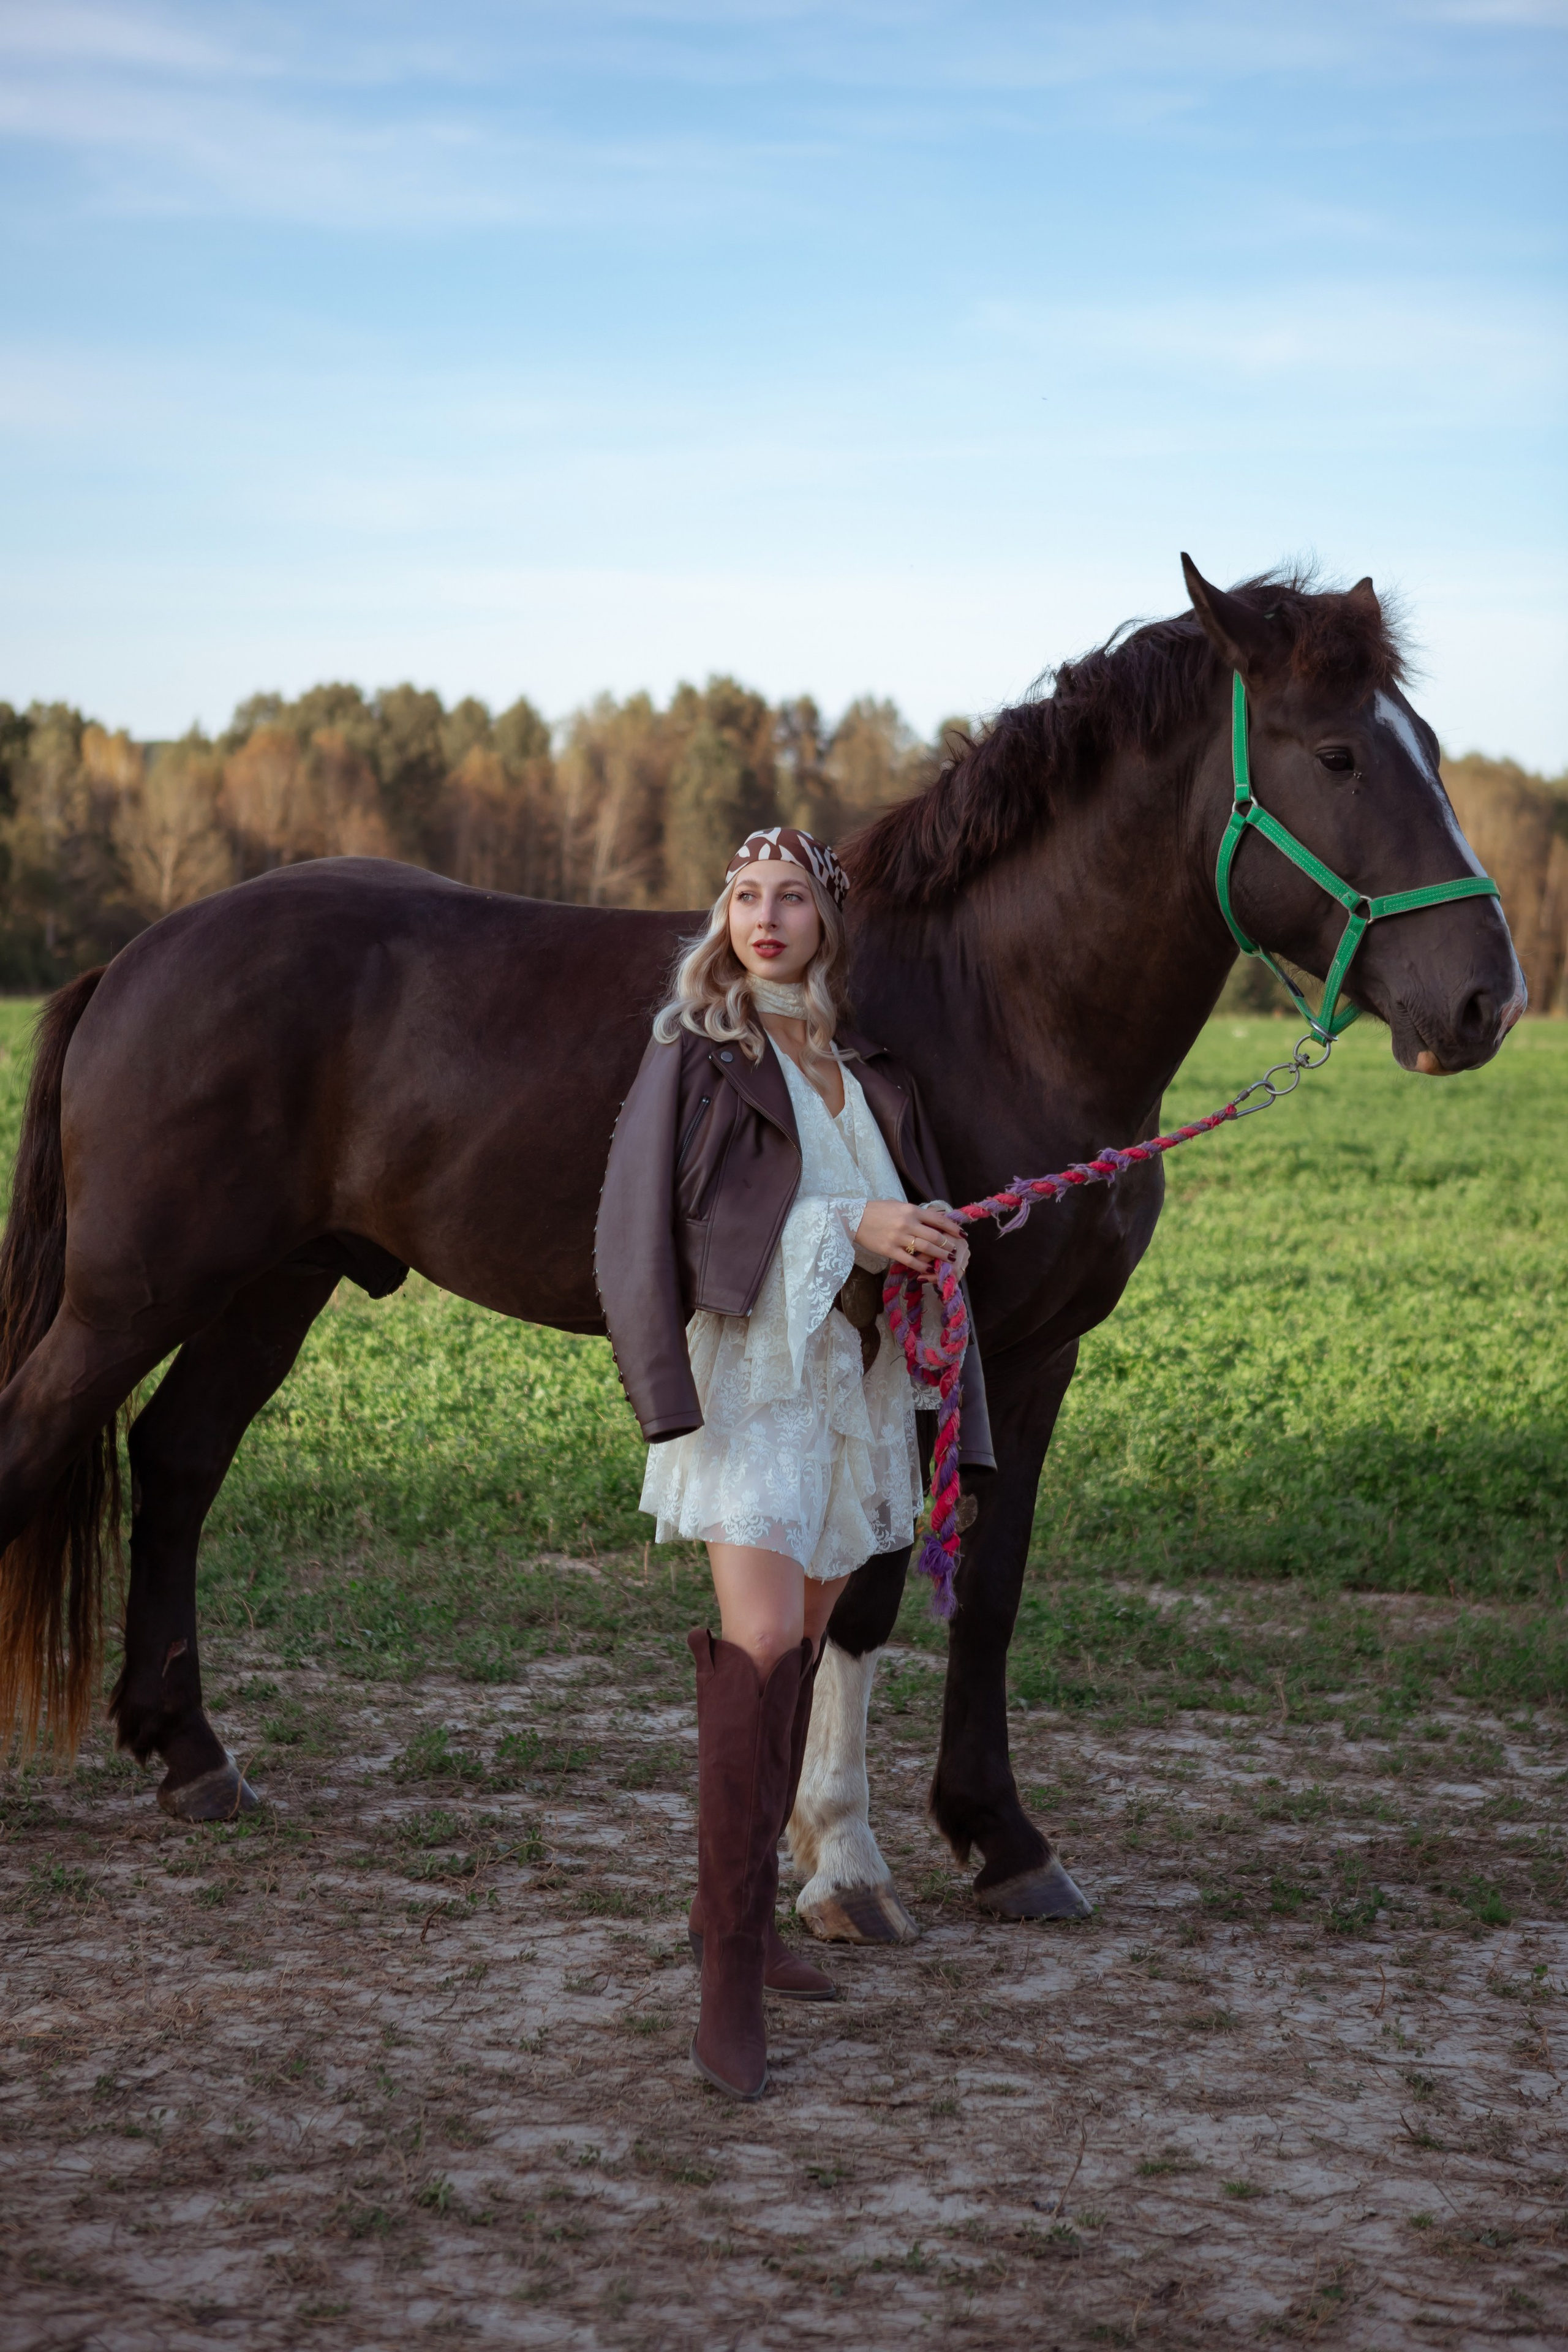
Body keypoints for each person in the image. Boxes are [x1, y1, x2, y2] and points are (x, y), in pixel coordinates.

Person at [595, 825, 992, 2101]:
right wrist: (851, 1224)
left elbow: (901, 1215)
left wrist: (922, 1240)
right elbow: (667, 1224)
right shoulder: (698, 1051)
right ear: (723, 914)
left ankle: (758, 1924)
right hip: (753, 1389)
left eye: (789, 898)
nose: (763, 916)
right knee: (759, 1647)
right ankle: (721, 1970)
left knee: (805, 1651)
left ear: (825, 920)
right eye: (742, 894)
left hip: (853, 1395)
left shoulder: (865, 1071)